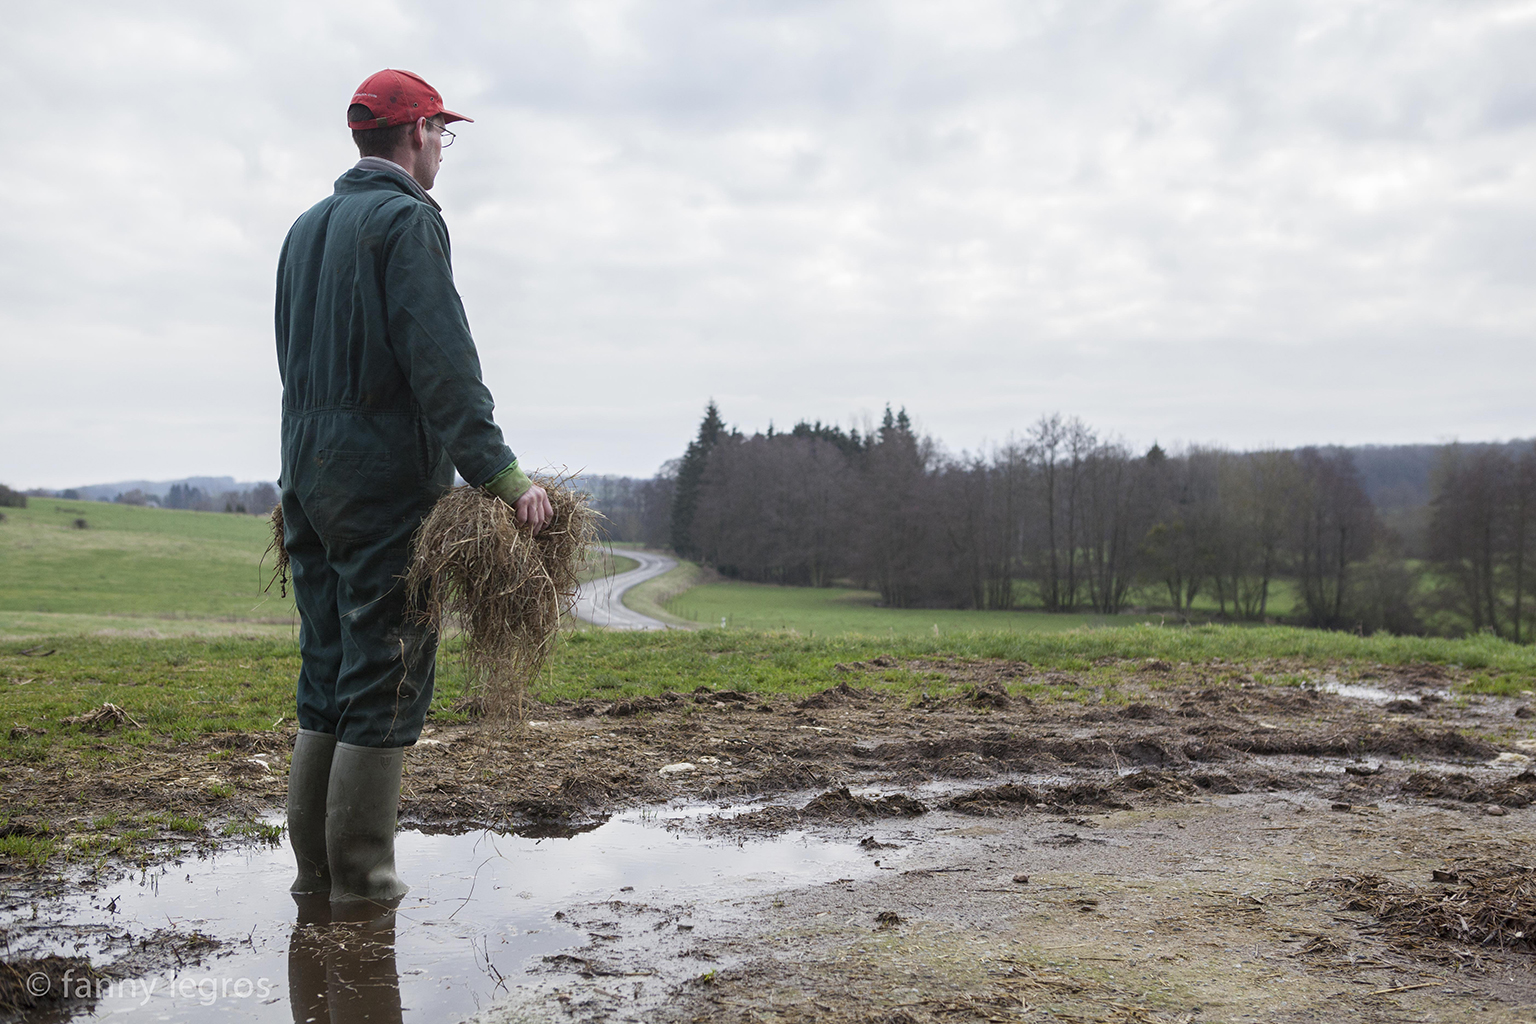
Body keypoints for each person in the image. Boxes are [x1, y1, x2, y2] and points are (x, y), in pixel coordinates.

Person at [274, 68, 552, 907]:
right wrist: (501, 476)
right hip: (384, 487)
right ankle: (365, 887)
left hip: (306, 481)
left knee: (327, 670)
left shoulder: (305, 228)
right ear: (416, 133)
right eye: (442, 133)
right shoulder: (405, 222)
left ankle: (317, 884)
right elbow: (444, 363)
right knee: (386, 672)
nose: (443, 150)